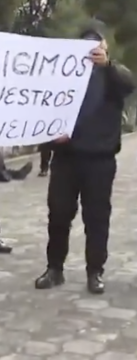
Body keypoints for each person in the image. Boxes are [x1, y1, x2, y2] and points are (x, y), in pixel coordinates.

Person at [35, 21, 134, 294]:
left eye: (97, 43)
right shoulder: (64, 75)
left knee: (97, 218)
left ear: (105, 46)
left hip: (100, 160)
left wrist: (108, 65)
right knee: (58, 215)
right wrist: (50, 137)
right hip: (66, 158)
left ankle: (95, 272)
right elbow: (44, 109)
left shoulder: (113, 75)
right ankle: (54, 268)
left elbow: (129, 84)